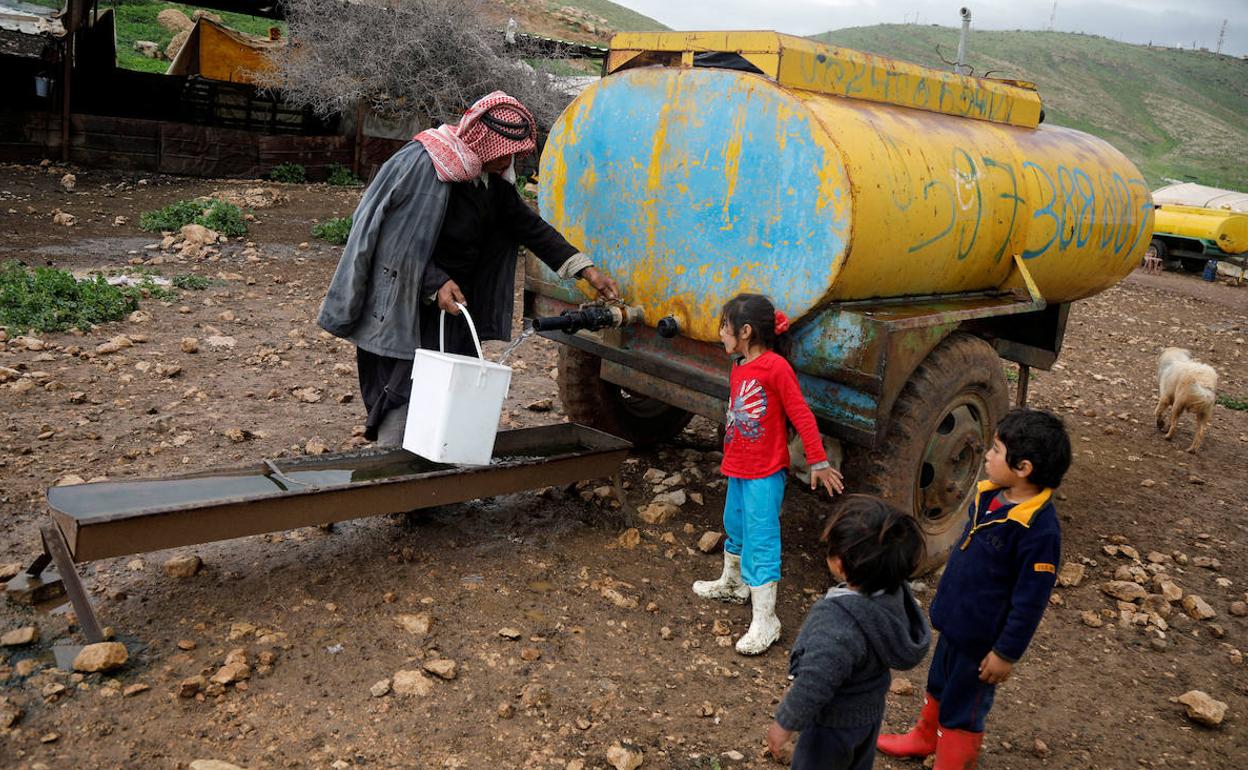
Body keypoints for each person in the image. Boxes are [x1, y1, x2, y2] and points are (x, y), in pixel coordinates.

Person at [317, 91, 619, 445]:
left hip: (457, 305)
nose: (508, 160)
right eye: (503, 153)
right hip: (405, 300)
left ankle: (439, 466)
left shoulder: (487, 177)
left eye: (514, 154)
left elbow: (527, 226)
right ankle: (395, 472)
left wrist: (584, 269)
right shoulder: (425, 164)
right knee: (404, 384)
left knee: (452, 384)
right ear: (482, 141)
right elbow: (392, 239)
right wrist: (435, 282)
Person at [877, 407, 1072, 769]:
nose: (987, 455)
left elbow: (1030, 602)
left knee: (964, 706)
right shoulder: (992, 496)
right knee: (938, 684)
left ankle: (952, 761)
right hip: (956, 625)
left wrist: (1006, 654)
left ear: (1023, 468)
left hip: (983, 643)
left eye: (996, 451)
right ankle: (924, 737)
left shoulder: (1039, 531)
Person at [692, 293, 844, 655]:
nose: (720, 333)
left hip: (765, 470)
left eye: (724, 327)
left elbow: (802, 415)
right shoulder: (741, 365)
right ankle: (733, 584)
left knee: (762, 537)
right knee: (736, 523)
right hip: (740, 466)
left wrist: (818, 461)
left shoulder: (775, 368)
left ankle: (766, 619)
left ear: (745, 331)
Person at [766, 495, 931, 770]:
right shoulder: (892, 595)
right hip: (868, 715)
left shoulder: (839, 623)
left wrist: (785, 722)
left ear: (840, 563)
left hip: (830, 725)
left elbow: (816, 681)